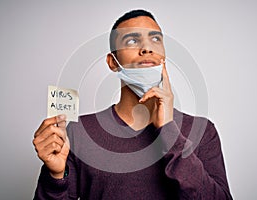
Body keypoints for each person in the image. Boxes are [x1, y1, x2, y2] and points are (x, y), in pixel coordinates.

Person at [33, 9, 233, 199]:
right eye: (132, 40)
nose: (147, 48)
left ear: (163, 56)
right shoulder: (80, 131)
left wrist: (168, 131)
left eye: (155, 39)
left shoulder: (202, 131)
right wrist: (56, 176)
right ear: (113, 62)